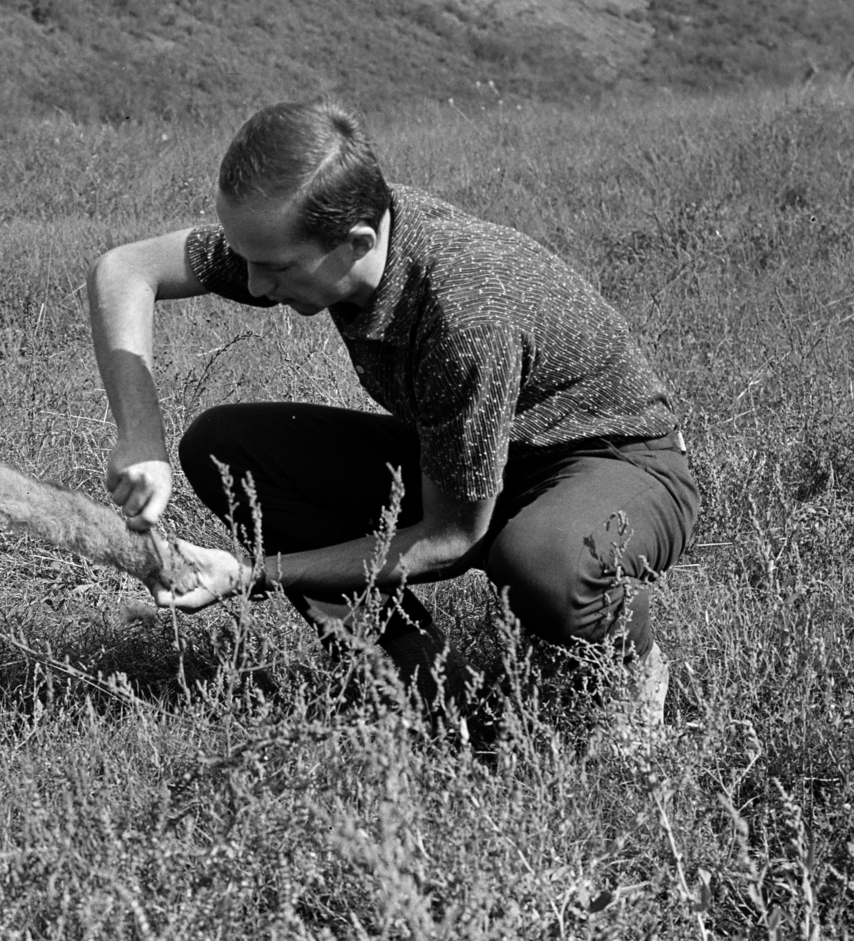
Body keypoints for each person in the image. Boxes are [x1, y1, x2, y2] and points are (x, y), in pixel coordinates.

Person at [88, 99, 699, 736]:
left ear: (357, 241)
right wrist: (141, 437)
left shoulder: (466, 315)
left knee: (547, 561)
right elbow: (126, 270)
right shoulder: (322, 231)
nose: (254, 285)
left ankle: (626, 673)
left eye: (273, 268)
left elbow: (449, 538)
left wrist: (250, 576)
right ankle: (421, 684)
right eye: (246, 259)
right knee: (226, 446)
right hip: (471, 451)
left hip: (615, 465)